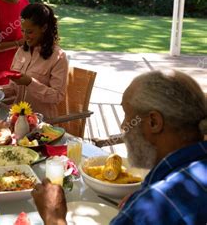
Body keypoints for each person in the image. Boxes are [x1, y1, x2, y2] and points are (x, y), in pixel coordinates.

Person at [32, 70, 207, 225]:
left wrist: (53, 217)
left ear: (153, 122)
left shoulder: (151, 208)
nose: (124, 126)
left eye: (127, 114)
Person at [0, 3, 68, 120]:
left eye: (29, 32)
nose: (25, 37)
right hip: (16, 119)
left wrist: (30, 83)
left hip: (42, 123)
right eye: (22, 31)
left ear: (44, 28)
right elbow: (14, 89)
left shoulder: (58, 57)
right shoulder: (21, 51)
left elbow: (57, 96)